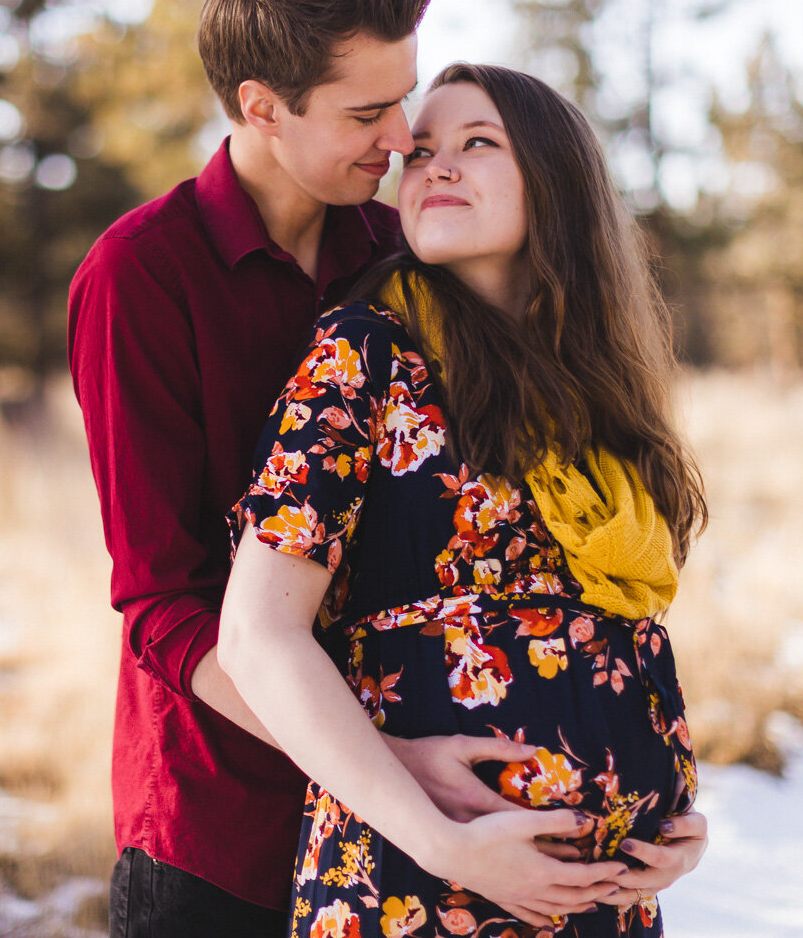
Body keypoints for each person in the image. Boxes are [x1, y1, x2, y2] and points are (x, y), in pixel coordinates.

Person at [71, 0, 706, 931]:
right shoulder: (143, 277)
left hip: (460, 832)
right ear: (262, 108)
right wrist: (389, 763)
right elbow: (166, 598)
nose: (404, 138)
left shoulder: (405, 252)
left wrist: (645, 789)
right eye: (368, 114)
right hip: (226, 819)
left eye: (403, 98)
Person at [219, 62, 709, 937]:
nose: (434, 165)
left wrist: (667, 820)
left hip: (602, 907)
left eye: (477, 144)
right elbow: (258, 639)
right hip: (415, 886)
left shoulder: (597, 396)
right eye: (423, 152)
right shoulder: (366, 355)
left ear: (558, 185)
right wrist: (444, 845)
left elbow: (624, 648)